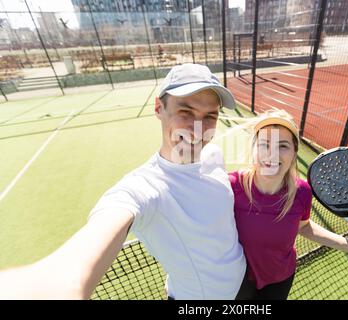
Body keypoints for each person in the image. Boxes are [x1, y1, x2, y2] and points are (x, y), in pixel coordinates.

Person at [0, 63, 246, 300]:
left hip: (246, 285)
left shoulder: (213, 155)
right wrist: (56, 283)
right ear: (159, 108)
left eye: (210, 116)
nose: (197, 128)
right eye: (186, 112)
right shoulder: (144, 188)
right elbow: (110, 219)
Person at [230, 110, 348, 300]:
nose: (272, 153)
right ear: (253, 149)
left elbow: (304, 226)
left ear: (294, 153)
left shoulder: (301, 192)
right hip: (237, 280)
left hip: (280, 278)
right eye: (264, 144)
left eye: (283, 145)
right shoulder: (230, 187)